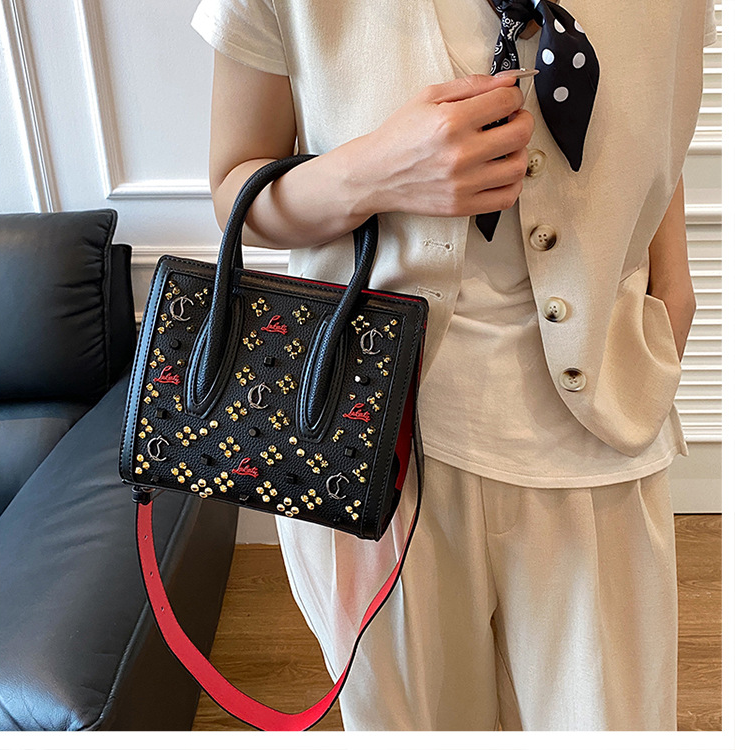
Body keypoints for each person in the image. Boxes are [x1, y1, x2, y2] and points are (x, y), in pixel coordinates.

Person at [190, 0, 718, 731]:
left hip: (603, 432)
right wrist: (372, 173)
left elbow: (654, 109)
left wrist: (675, 283)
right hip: (376, 453)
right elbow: (235, 188)